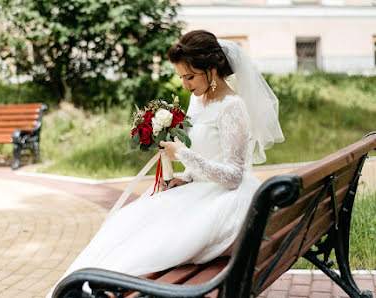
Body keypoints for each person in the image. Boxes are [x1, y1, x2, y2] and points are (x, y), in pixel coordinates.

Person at [46, 30, 284, 297]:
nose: (184, 85)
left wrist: (183, 155)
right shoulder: (198, 99)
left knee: (153, 237)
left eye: (190, 76)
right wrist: (185, 177)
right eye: (181, 77)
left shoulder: (232, 107)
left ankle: (98, 287)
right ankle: (79, 286)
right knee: (127, 221)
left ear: (212, 68)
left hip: (225, 201)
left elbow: (233, 177)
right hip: (200, 191)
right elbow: (207, 155)